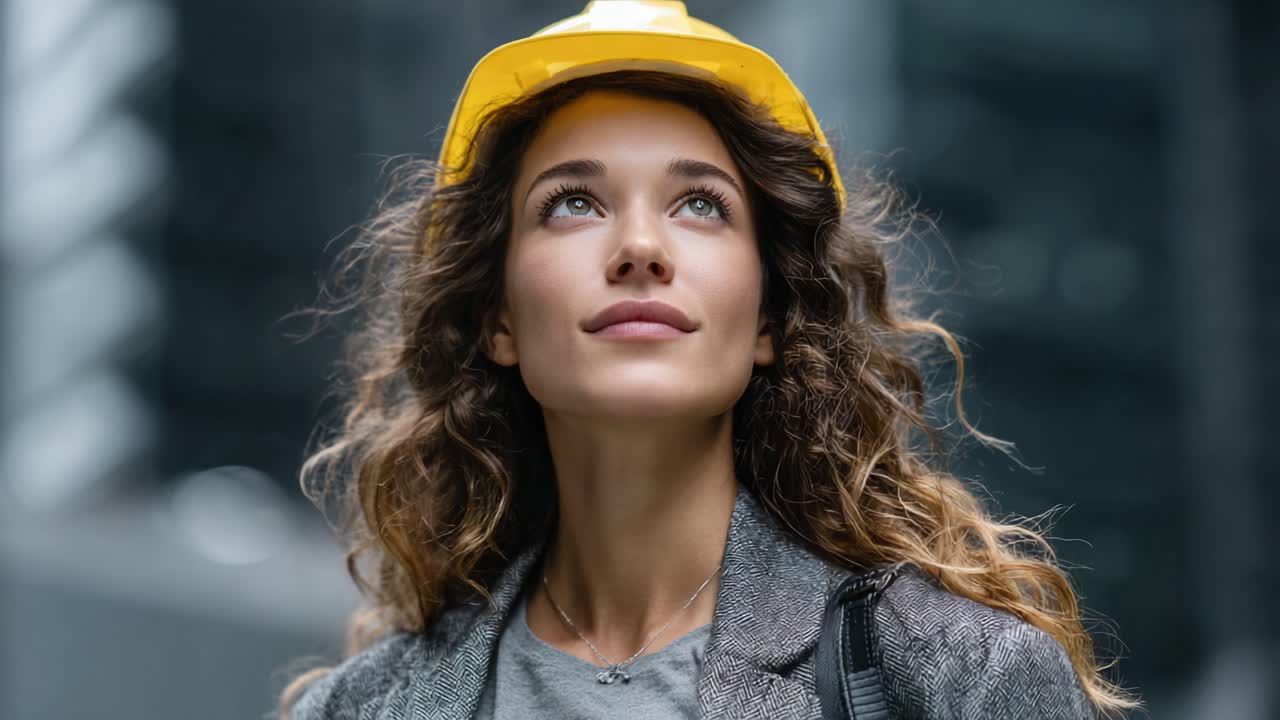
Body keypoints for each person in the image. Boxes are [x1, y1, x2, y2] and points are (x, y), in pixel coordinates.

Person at [279, 2, 1140, 718]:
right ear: (498, 319)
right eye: (573, 204)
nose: (641, 247)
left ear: (767, 317)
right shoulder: (363, 708)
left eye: (700, 205)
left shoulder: (956, 679)